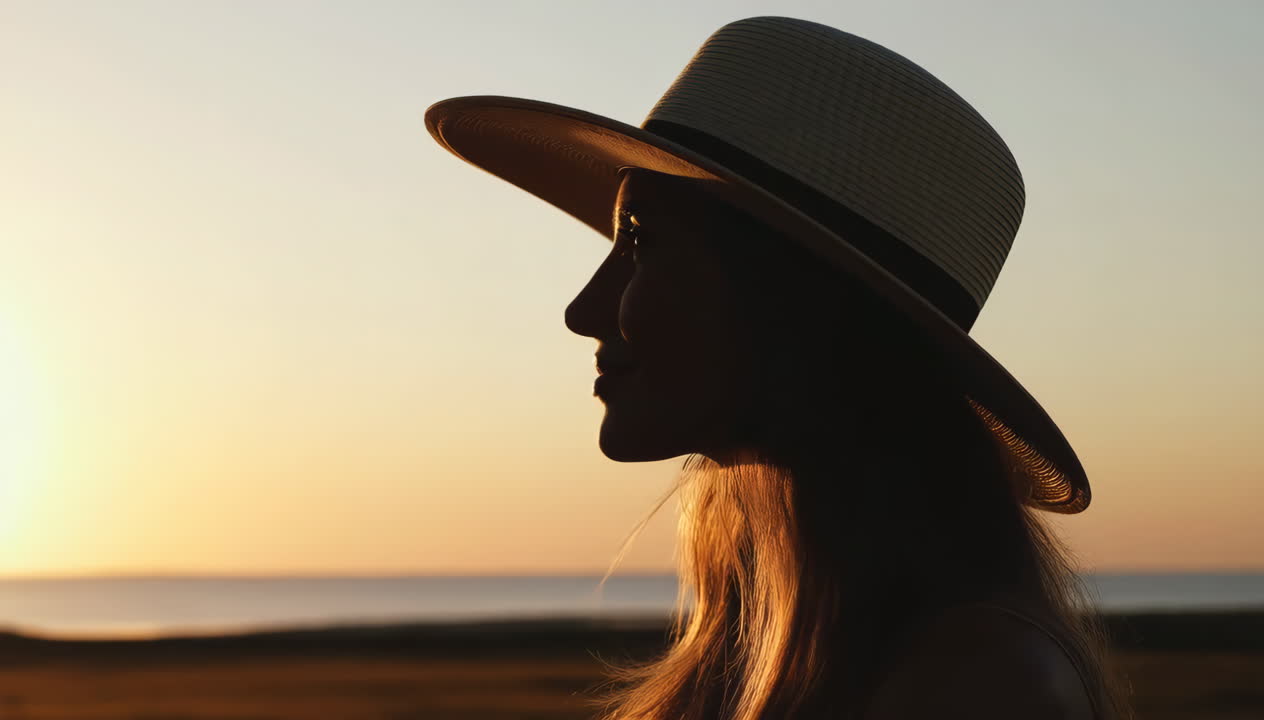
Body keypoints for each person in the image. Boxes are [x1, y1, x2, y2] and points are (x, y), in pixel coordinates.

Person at [424, 15, 1130, 720]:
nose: (584, 310)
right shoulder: (770, 646)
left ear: (791, 297)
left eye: (640, 241)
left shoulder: (979, 686)